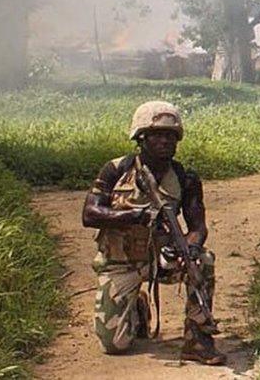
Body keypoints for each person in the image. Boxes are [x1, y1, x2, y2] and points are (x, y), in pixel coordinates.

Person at [81, 101, 225, 365]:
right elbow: (89, 214)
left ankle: (197, 341)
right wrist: (135, 216)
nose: (165, 141)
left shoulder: (185, 177)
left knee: (202, 261)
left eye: (171, 136)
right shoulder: (117, 170)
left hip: (162, 260)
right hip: (120, 263)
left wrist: (191, 248)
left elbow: (197, 227)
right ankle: (138, 307)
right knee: (114, 345)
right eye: (157, 135)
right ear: (141, 137)